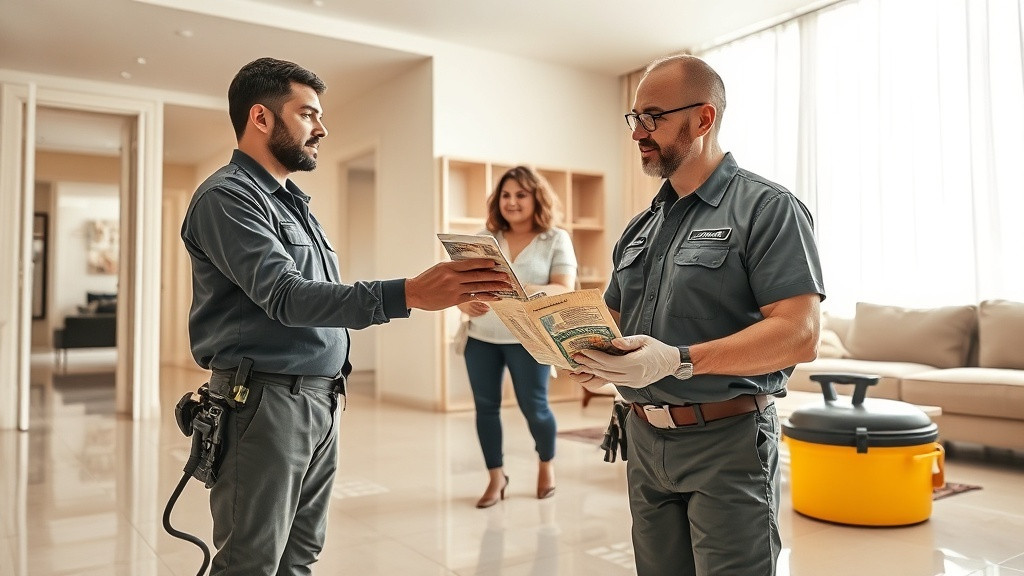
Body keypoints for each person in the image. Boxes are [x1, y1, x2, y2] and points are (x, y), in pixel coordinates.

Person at [180, 57, 511, 576]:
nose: (322, 128)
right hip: (262, 404)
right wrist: (408, 293)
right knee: (251, 563)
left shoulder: (293, 203)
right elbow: (287, 296)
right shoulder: (226, 199)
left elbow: (318, 296)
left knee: (300, 557)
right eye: (308, 113)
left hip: (317, 400)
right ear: (261, 118)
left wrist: (444, 294)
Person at [568, 54, 825, 576]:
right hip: (643, 439)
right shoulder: (641, 227)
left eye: (654, 117)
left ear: (703, 119)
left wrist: (678, 361)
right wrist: (579, 351)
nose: (638, 132)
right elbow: (611, 323)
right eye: (634, 118)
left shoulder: (768, 208)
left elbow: (799, 335)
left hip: (726, 443)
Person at [456, 166, 577, 508]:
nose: (512, 202)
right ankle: (496, 477)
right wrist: (467, 305)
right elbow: (466, 291)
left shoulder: (555, 238)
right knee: (486, 409)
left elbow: (563, 288)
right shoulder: (483, 239)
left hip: (529, 340)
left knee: (535, 408)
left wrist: (522, 290)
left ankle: (546, 465)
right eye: (506, 195)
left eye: (521, 194)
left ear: (536, 197)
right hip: (481, 339)